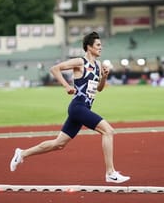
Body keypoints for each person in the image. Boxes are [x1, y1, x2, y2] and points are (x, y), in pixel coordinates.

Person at [10, 31, 130, 183]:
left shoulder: (99, 65)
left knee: (58, 144)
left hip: (83, 109)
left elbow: (99, 89)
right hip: (78, 107)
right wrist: (66, 86)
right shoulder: (80, 62)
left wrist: (104, 77)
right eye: (98, 45)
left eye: (101, 45)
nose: (101, 48)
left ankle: (22, 153)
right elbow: (55, 69)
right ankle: (110, 172)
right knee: (108, 131)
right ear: (89, 47)